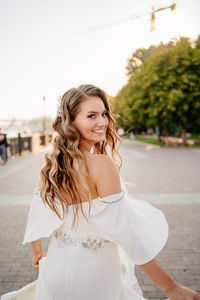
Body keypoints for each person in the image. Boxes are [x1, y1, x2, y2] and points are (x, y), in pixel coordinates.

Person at [1, 84, 199, 300]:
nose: (102, 122)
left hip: (55, 272)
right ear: (71, 122)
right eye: (92, 116)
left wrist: (37, 251)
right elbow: (126, 232)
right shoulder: (102, 164)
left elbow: (37, 209)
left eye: (104, 114)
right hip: (95, 277)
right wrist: (170, 287)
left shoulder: (51, 165)